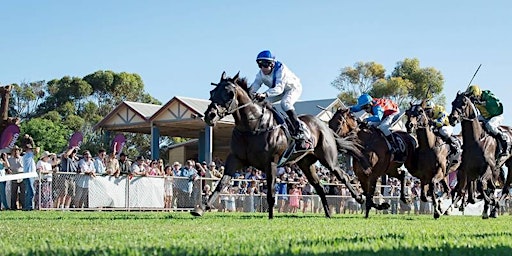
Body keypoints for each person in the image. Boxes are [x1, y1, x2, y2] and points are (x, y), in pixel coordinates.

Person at [249, 50, 309, 150]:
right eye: (260, 65)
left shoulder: (281, 70)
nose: (262, 68)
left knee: (285, 103)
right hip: (277, 90)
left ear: (271, 64)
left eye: (264, 65)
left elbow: (279, 88)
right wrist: (249, 94)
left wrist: (265, 94)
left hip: (292, 88)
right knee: (262, 103)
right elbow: (255, 85)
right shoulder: (261, 73)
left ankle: (299, 130)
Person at [465, 85, 510, 159]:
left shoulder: (487, 95)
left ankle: (504, 139)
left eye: (474, 97)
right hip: (484, 116)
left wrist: (483, 103)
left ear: (478, 94)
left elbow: (496, 104)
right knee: (473, 123)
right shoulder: (474, 97)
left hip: (496, 115)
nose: (473, 99)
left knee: (490, 125)